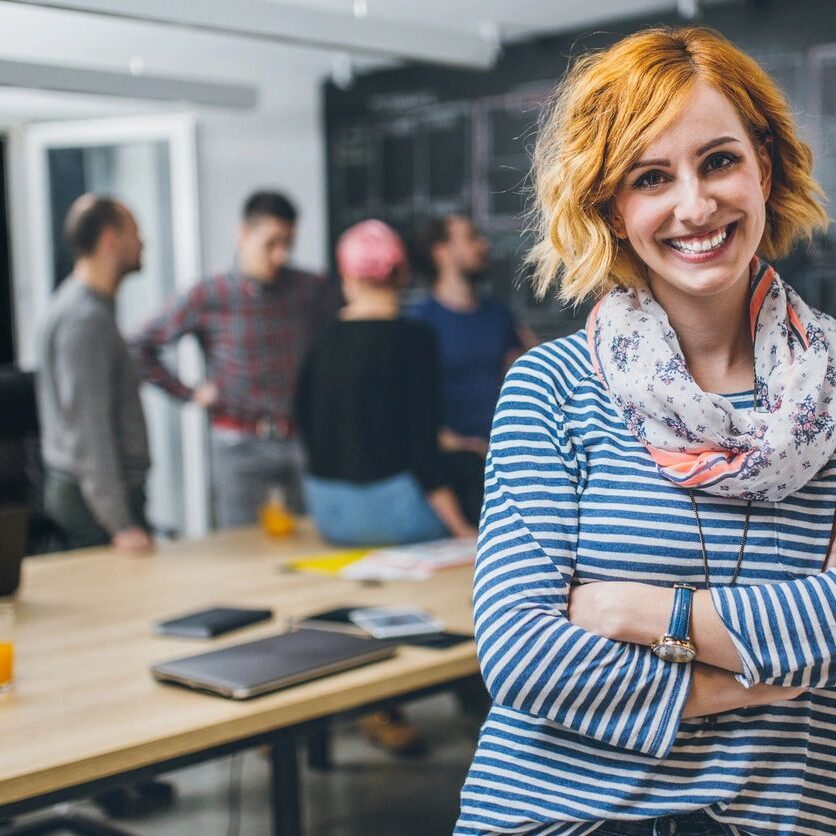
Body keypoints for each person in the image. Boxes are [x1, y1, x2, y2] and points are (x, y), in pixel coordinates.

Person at [456, 27, 836, 836]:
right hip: (555, 818)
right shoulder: (550, 389)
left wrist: (639, 614)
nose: (695, 206)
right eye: (651, 177)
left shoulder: (835, 389)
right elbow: (522, 654)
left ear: (764, 165)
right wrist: (768, 677)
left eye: (720, 161)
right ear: (612, 208)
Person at [131, 190, 341, 528]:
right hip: (239, 444)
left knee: (315, 542)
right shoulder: (210, 294)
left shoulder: (310, 288)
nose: (280, 254)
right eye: (271, 243)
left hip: (302, 440)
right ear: (243, 234)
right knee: (244, 550)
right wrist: (190, 393)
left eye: (288, 243)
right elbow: (140, 347)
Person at [295, 219, 476, 546]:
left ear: (347, 278)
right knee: (473, 467)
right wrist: (462, 530)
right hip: (395, 517)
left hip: (328, 515)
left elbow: (303, 424)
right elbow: (422, 447)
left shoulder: (320, 340)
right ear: (403, 273)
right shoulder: (415, 339)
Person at [37, 195, 153, 554]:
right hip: (96, 502)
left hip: (95, 495)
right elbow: (89, 430)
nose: (143, 242)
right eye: (134, 231)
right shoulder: (84, 319)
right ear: (110, 239)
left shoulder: (86, 307)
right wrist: (120, 523)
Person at [410, 214, 537, 458]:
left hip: (504, 452)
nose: (484, 245)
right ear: (441, 253)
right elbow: (409, 405)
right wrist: (458, 445)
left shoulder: (498, 313)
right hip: (449, 461)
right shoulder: (420, 321)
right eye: (471, 238)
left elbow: (534, 364)